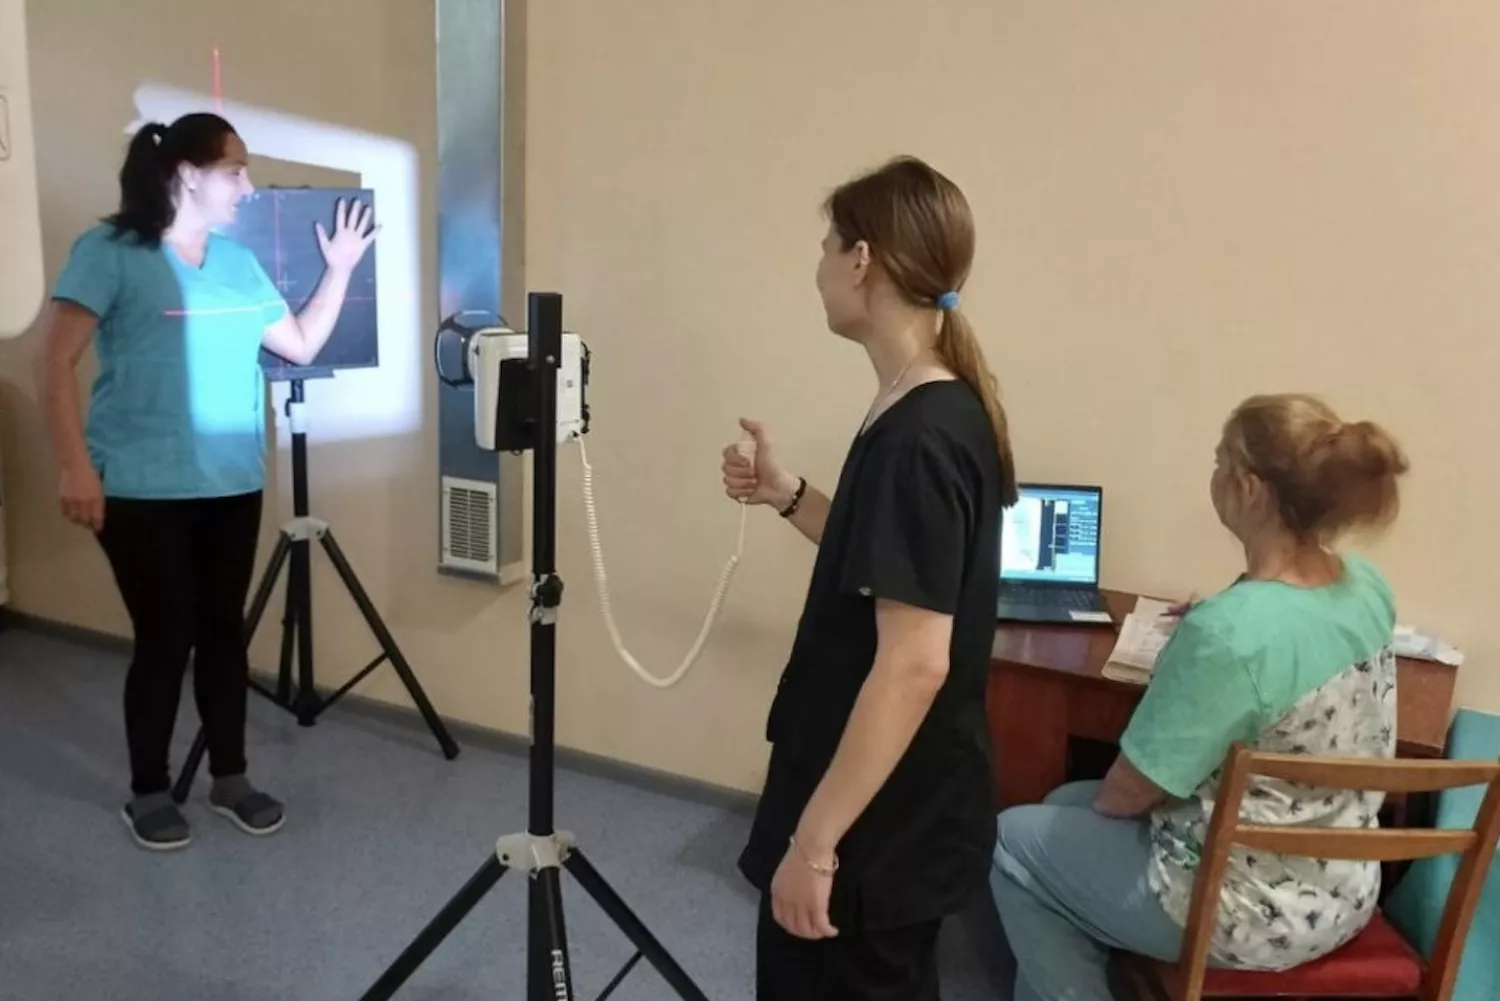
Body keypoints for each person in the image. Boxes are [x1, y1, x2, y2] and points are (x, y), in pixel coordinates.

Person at [990, 393, 1411, 1001]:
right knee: (1061, 803)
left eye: (1219, 462)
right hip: (1342, 882)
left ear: (1248, 488)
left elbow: (1127, 792)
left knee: (1013, 842)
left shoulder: (1228, 632)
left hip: (1244, 907)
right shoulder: (1365, 584)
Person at [720, 155, 1019, 1000]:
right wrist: (788, 496)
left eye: (826, 245)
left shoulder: (920, 435)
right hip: (891, 794)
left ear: (863, 260)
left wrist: (815, 844)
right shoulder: (923, 402)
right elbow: (888, 565)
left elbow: (915, 662)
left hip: (875, 820)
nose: (818, 266)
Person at [37, 112, 378, 851]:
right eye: (235, 170)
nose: (247, 186)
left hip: (230, 483)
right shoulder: (109, 252)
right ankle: (149, 790)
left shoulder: (235, 262)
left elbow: (300, 341)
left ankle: (231, 777)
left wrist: (342, 267)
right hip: (138, 485)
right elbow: (55, 361)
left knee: (222, 633)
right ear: (187, 174)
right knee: (166, 636)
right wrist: (74, 464)